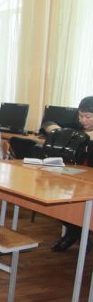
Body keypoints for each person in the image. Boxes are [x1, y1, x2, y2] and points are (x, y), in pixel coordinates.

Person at [52, 96, 93, 252]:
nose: (83, 120)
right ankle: (78, 233)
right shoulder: (78, 127)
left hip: (89, 181)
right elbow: (48, 123)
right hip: (75, 177)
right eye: (80, 116)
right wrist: (56, 129)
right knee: (58, 202)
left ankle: (74, 234)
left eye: (88, 117)